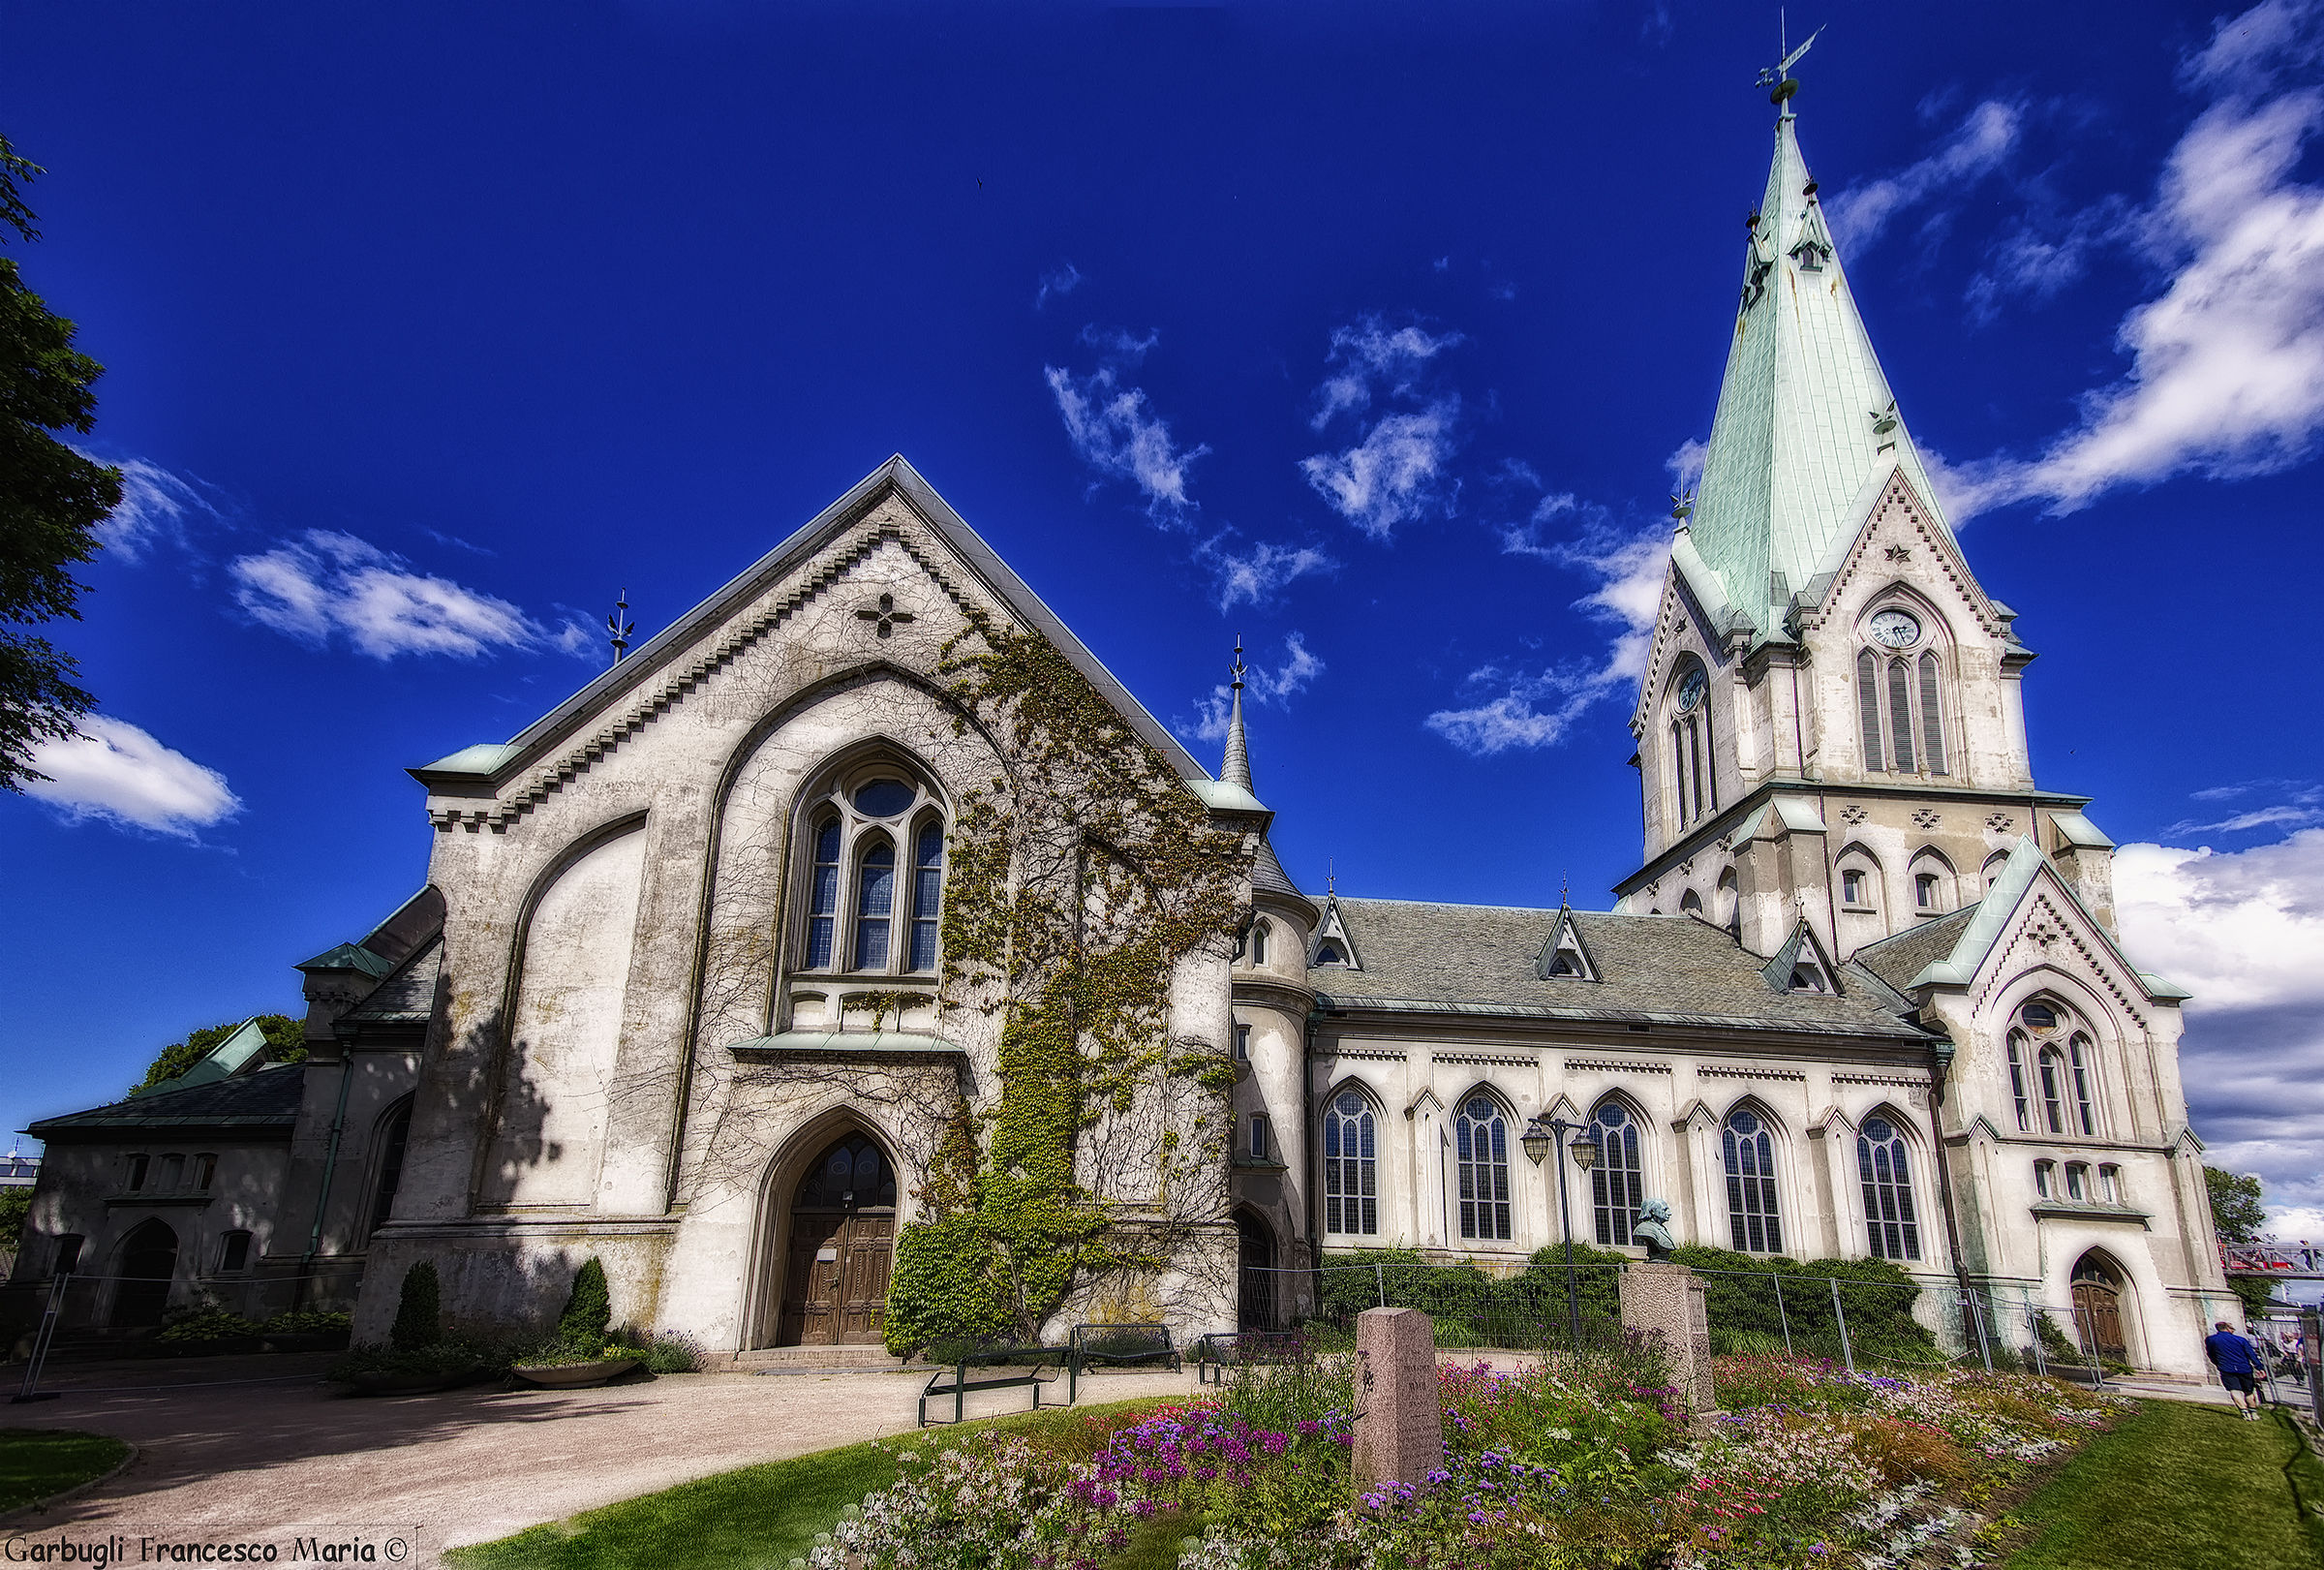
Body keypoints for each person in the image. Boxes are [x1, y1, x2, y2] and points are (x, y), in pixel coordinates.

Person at [2205, 1320, 2265, 1419]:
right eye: (2232, 1328)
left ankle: (2244, 1411)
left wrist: (2217, 1363)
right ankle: (2253, 1412)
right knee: (2249, 1391)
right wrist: (2259, 1367)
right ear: (2228, 1328)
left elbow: (2211, 1354)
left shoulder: (2211, 1340)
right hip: (2244, 1368)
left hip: (2226, 1368)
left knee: (2234, 1390)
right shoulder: (2240, 1340)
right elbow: (2251, 1354)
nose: (2233, 1330)